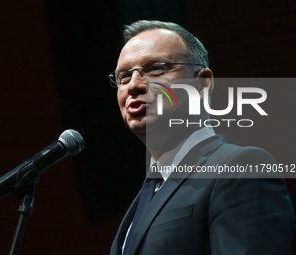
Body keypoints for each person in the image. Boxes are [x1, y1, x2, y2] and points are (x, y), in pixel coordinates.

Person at [108, 20, 294, 255]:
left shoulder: (239, 167)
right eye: (123, 76)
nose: (133, 85)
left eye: (156, 68)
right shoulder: (143, 199)